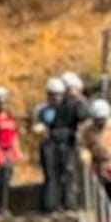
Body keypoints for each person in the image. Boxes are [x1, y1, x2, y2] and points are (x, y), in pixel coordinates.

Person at [33, 76, 82, 212]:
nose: (56, 98)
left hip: (66, 145)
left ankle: (69, 204)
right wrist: (39, 129)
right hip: (49, 146)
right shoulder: (42, 109)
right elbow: (37, 125)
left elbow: (80, 119)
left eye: (59, 95)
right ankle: (50, 205)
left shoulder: (70, 107)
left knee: (68, 173)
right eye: (53, 95)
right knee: (51, 175)